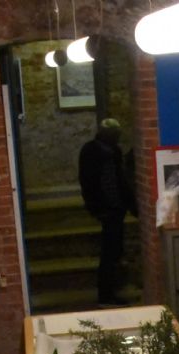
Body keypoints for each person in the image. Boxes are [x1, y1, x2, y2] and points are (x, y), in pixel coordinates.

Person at [78, 117, 135, 307]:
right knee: (109, 254)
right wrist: (97, 208)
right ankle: (106, 295)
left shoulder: (113, 151)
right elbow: (89, 183)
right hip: (106, 208)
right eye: (114, 134)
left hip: (115, 207)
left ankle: (110, 293)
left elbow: (120, 181)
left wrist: (129, 205)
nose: (117, 137)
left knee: (114, 252)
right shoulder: (92, 151)